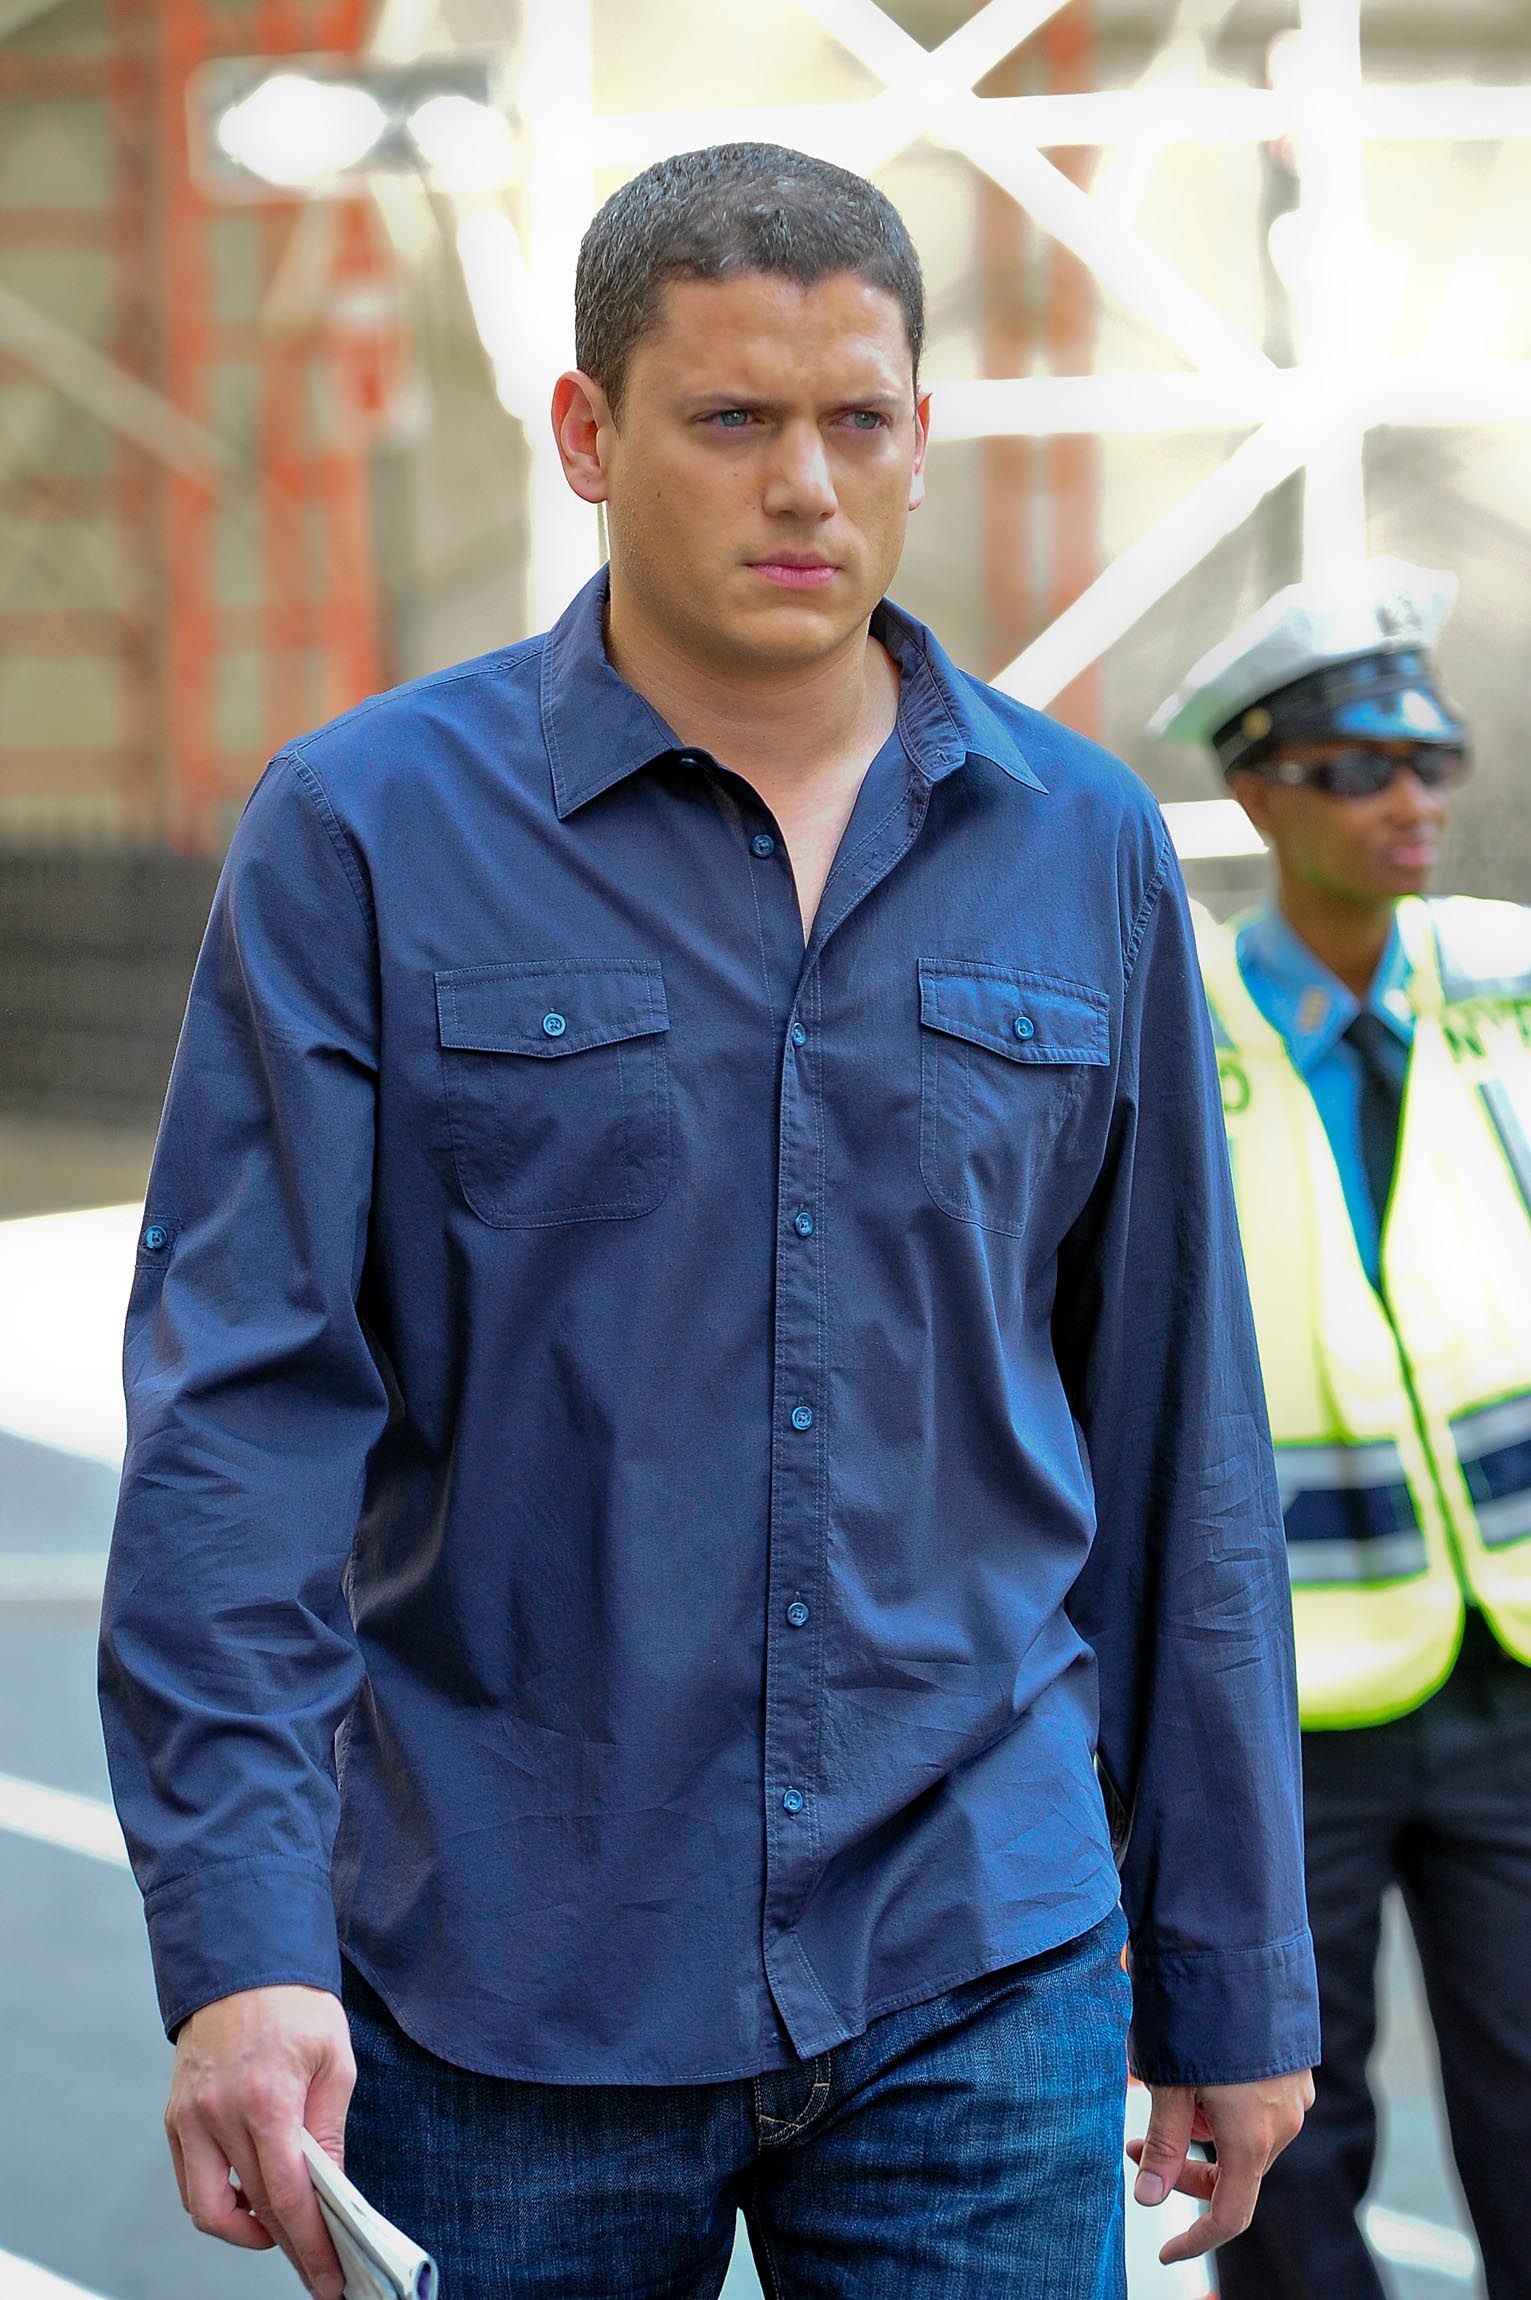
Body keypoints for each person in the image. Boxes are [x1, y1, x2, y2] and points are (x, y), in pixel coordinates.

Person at [101, 143, 1315, 2300]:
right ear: (587, 434)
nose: (806, 488)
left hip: (979, 1947)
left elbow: (1174, 1443)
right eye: (732, 419)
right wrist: (242, 1948)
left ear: (919, 433)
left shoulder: (1085, 847)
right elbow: (240, 1431)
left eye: (857, 420)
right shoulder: (364, 835)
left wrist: (1233, 1970)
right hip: (502, 1973)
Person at [1152, 563, 1531, 2299]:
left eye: (1432, 765)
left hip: (1510, 1667)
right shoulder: (1181, 1034)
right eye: (1364, 770)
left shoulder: (1506, 987)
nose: (1412, 803)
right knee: (1285, 2162)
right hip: (1270, 1712)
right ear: (1258, 790)